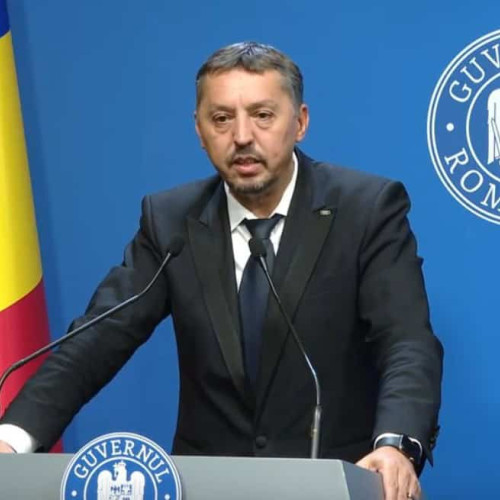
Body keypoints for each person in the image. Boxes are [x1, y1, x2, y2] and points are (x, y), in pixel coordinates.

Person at [0, 42, 442, 500]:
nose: (242, 136)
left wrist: (395, 445)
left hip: (335, 482)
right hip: (208, 487)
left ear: (300, 122)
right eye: (222, 118)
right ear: (199, 129)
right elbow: (97, 340)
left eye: (263, 115)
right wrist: (11, 440)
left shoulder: (365, 209)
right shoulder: (172, 220)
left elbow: (406, 341)